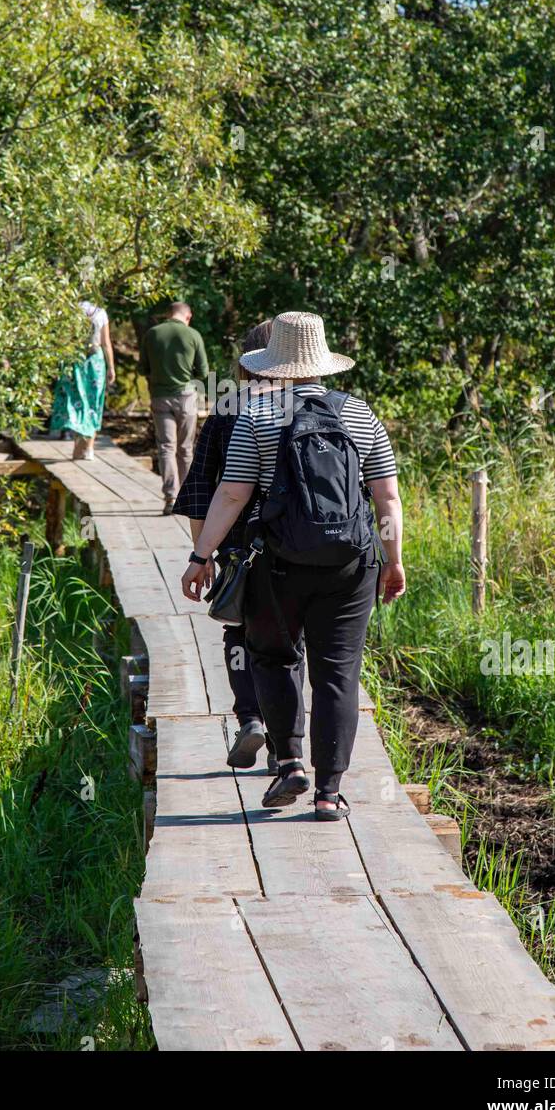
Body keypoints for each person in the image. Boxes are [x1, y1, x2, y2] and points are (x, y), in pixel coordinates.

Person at [181, 311, 405, 821]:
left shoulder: (257, 416)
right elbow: (386, 498)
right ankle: (330, 793)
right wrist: (394, 561)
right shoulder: (359, 414)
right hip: (351, 565)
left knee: (275, 658)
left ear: (274, 363)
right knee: (337, 674)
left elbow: (233, 493)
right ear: (323, 364)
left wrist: (201, 557)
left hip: (277, 564)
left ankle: (289, 764)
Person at [172, 319, 289, 775]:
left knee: (238, 631)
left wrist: (201, 556)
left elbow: (202, 492)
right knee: (288, 642)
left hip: (238, 547)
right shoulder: (308, 406)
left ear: (246, 362)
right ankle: (285, 742)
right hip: (297, 545)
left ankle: (251, 719)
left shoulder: (226, 412)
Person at [140, 301, 208, 515]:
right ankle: (187, 500)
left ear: (168, 314)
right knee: (185, 449)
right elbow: (203, 372)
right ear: (188, 316)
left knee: (166, 448)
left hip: (161, 397)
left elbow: (143, 368)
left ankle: (171, 498)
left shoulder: (152, 334)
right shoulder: (193, 335)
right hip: (187, 396)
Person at [50, 301, 115, 460]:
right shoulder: (100, 313)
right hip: (95, 362)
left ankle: (78, 443)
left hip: (74, 360)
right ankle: (88, 448)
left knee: (74, 400)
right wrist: (111, 367)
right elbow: (106, 343)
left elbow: (61, 340)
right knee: (93, 403)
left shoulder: (69, 309)